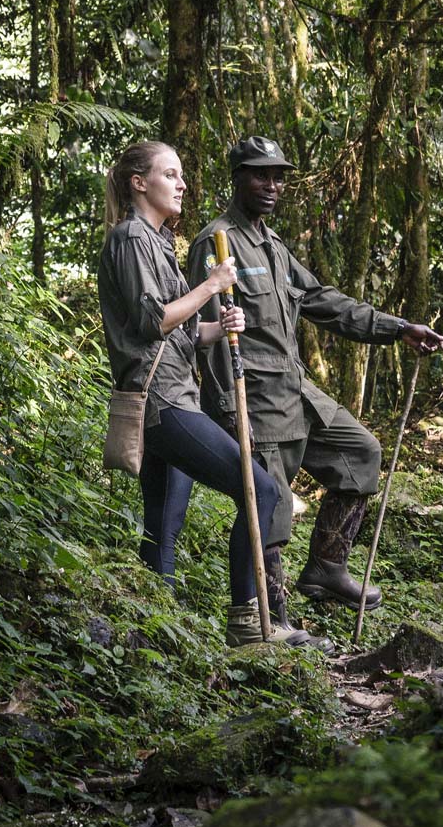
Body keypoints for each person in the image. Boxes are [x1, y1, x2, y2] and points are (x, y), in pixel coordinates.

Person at [188, 135, 443, 630]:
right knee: (272, 508)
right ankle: (272, 622)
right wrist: (225, 407)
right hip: (255, 398)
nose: (272, 185)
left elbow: (325, 302)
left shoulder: (273, 244)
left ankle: (327, 567)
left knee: (361, 453)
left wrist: (399, 328)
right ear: (237, 177)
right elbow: (207, 329)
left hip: (296, 390)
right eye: (261, 174)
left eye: (279, 176)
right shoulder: (217, 241)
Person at [97, 139, 326, 650]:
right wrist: (212, 285)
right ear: (140, 183)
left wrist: (218, 327)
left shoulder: (157, 241)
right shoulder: (132, 238)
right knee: (262, 490)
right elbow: (152, 319)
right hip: (161, 401)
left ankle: (152, 636)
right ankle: (247, 619)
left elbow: (177, 331)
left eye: (181, 175)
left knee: (164, 522)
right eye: (171, 175)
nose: (182, 184)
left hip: (173, 391)